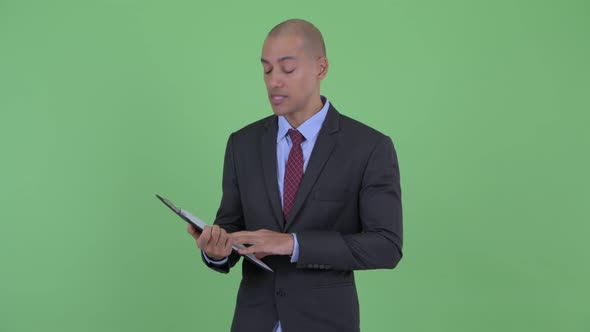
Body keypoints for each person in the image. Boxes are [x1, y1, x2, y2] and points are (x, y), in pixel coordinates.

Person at [187, 18, 403, 332]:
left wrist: (292, 244)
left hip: (327, 323)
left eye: (287, 69)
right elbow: (231, 227)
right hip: (253, 321)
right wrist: (216, 251)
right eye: (267, 69)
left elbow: (386, 246)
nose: (274, 81)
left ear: (321, 68)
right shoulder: (242, 144)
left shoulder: (369, 147)